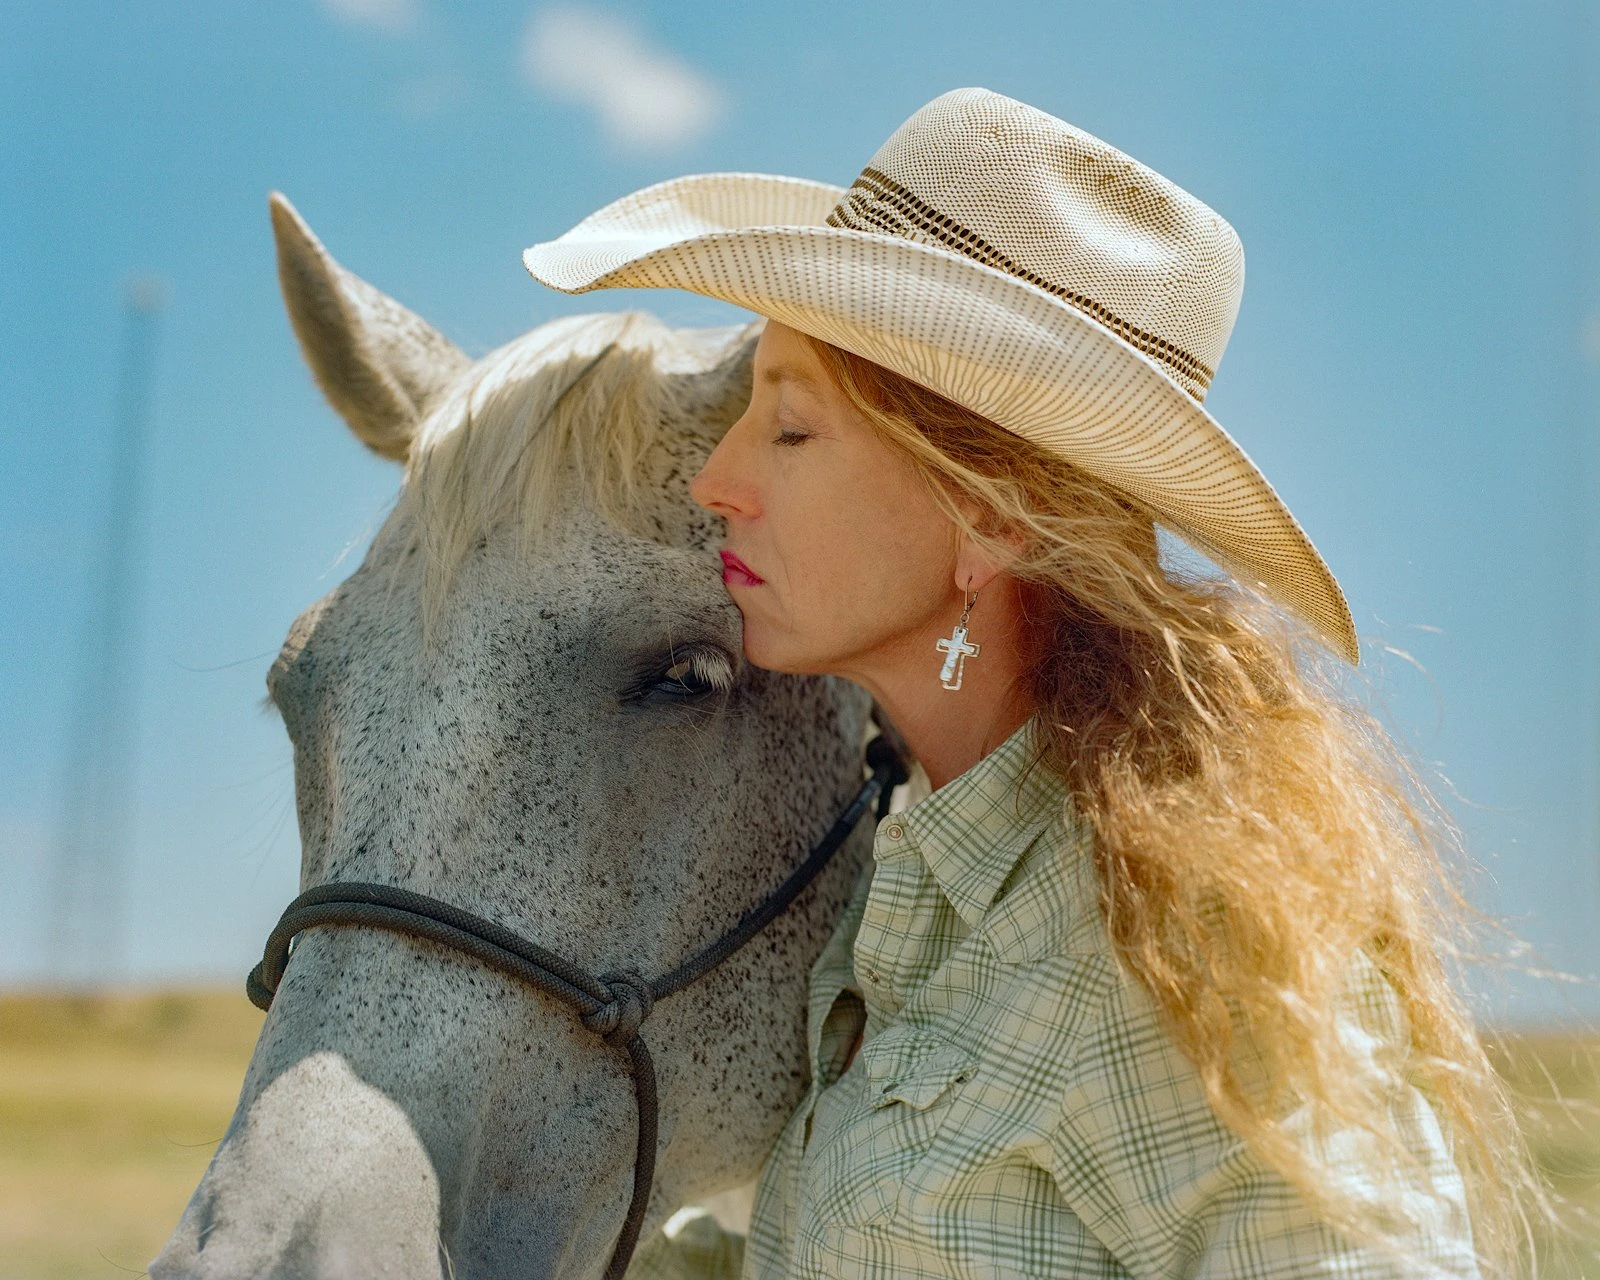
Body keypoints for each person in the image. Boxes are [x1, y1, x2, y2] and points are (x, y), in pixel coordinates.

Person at [523, 89, 1534, 1278]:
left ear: (992, 512)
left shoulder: (1181, 941)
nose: (720, 480)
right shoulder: (924, 880)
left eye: (790, 430)